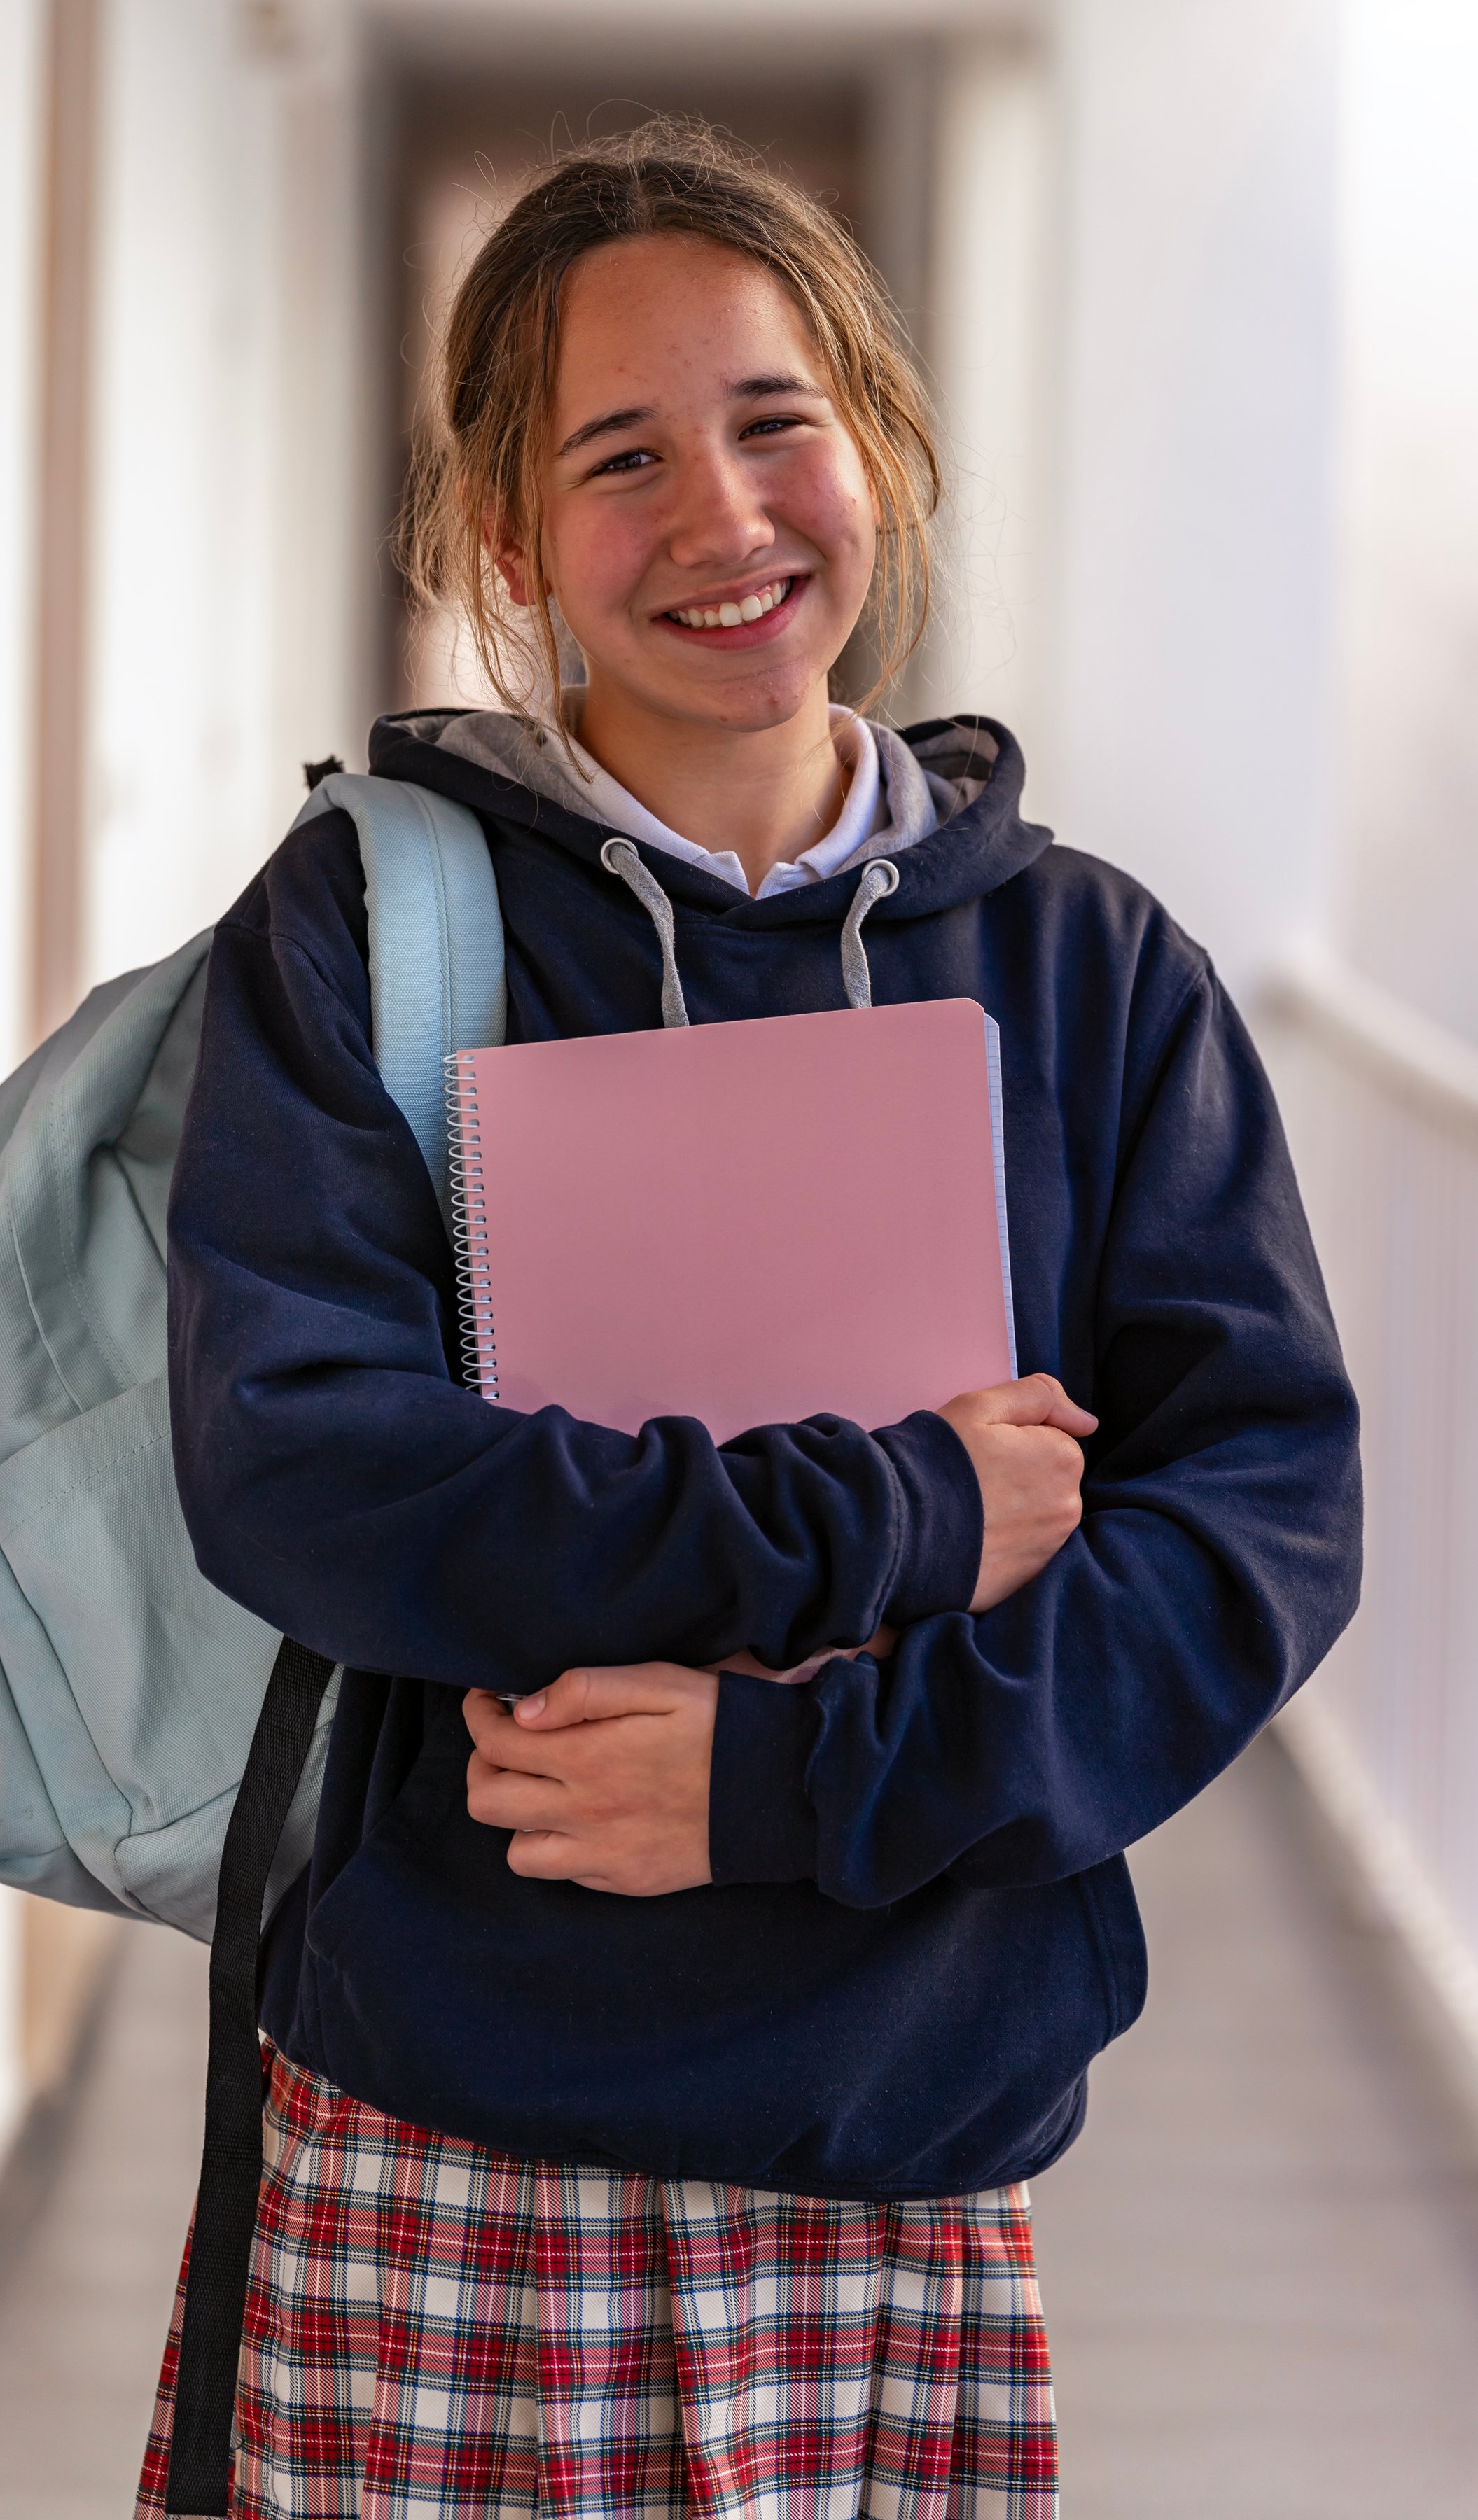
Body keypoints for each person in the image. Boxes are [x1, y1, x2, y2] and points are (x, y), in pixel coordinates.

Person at [136, 122, 1361, 2520]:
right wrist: (897, 1504)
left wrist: (787, 1785)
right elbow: (302, 1458)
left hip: (903, 2124)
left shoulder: (1089, 973)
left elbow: (1252, 1533)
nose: (722, 512)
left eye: (776, 420)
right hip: (452, 2119)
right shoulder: (366, 936)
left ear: (880, 446)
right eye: (620, 456)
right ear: (510, 546)